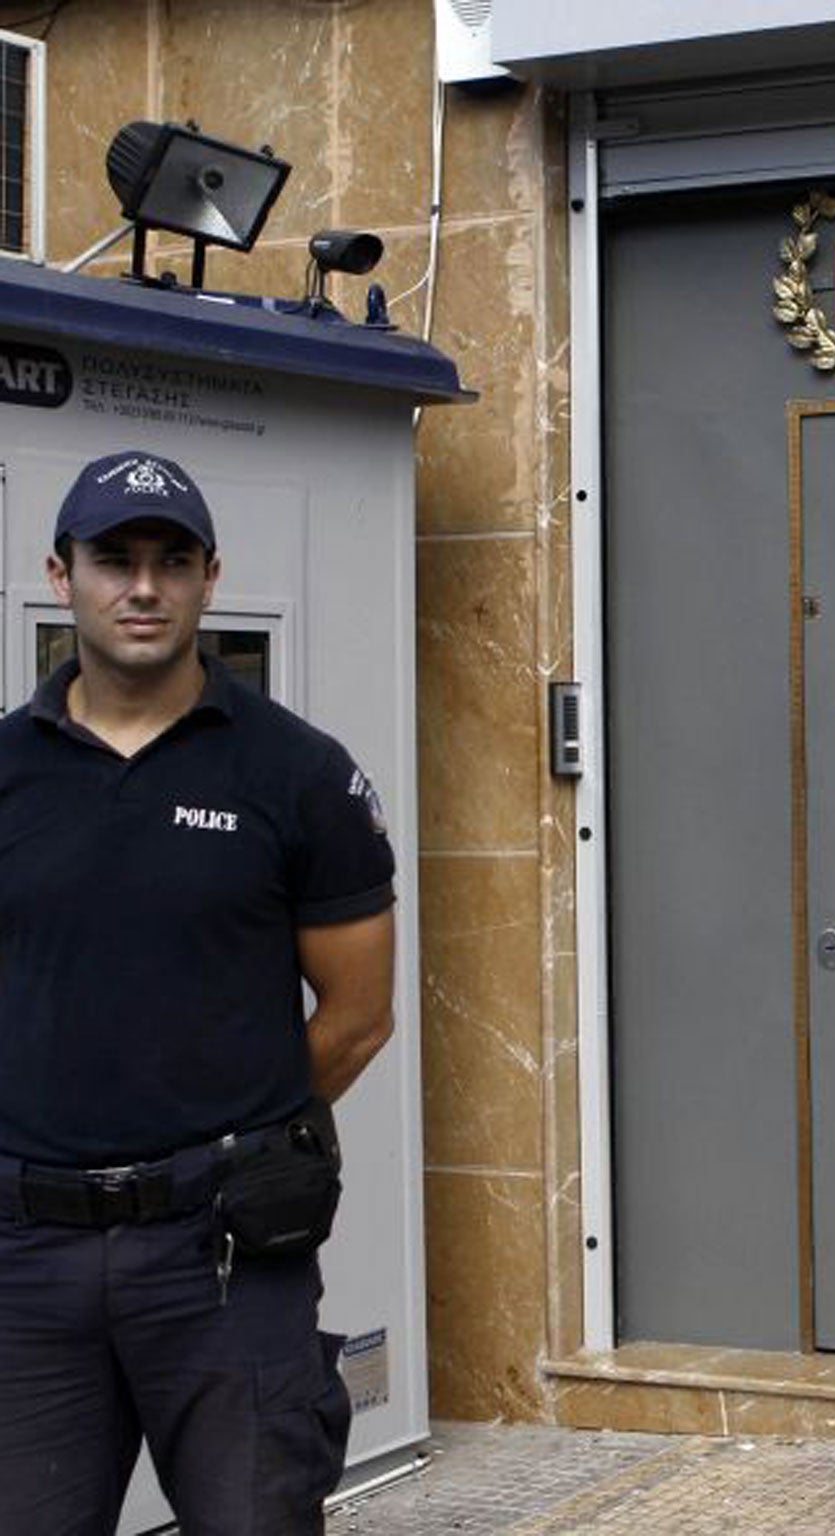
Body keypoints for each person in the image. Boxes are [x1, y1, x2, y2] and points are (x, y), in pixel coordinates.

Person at [0, 451, 397, 1534]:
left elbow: (359, 1019)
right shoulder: (6, 773)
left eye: (171, 561)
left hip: (224, 1259)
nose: (142, 586)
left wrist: (231, 1130)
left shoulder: (295, 774)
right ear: (60, 572)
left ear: (209, 577)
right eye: (114, 559)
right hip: (27, 1259)